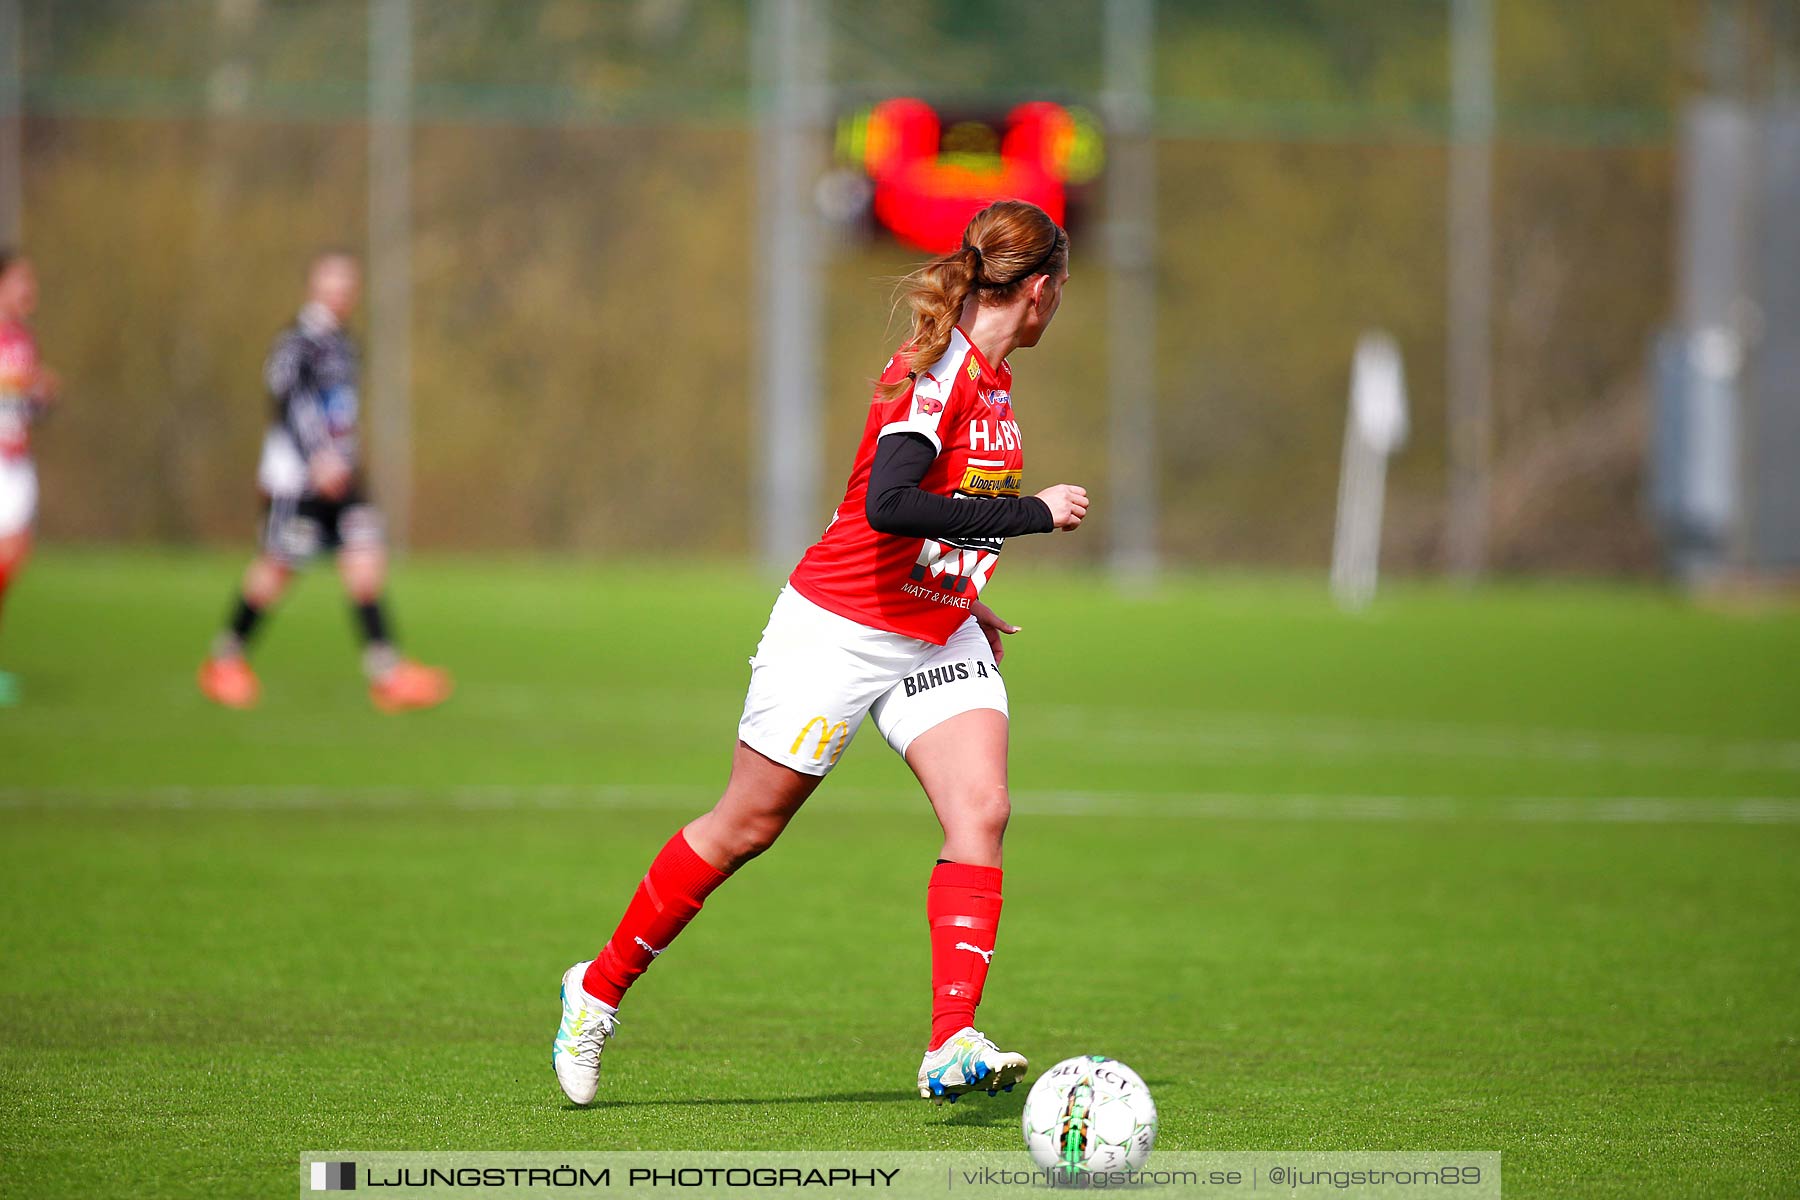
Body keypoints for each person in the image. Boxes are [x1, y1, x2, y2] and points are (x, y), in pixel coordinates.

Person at [551, 200, 1089, 1106]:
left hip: (932, 627)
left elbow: (940, 514)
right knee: (745, 828)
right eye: (1060, 291)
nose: (1058, 305)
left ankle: (949, 1040)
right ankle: (594, 991)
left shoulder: (995, 384)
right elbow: (890, 504)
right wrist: (1034, 513)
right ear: (1038, 290)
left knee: (983, 809)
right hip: (837, 627)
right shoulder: (936, 375)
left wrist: (963, 592)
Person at [197, 250, 450, 713]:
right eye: (331, 284)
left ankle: (387, 672)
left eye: (347, 285)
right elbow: (288, 401)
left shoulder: (344, 343)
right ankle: (225, 661)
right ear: (314, 287)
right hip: (300, 480)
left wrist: (346, 459)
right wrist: (318, 460)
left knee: (366, 559)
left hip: (342, 477)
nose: (340, 294)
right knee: (278, 566)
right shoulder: (296, 343)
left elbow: (339, 411)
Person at [0, 251, 60, 706]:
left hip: (17, 460)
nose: (30, 291)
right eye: (22, 280)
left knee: (14, 557)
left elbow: (21, 407)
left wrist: (40, 396)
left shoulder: (24, 338)